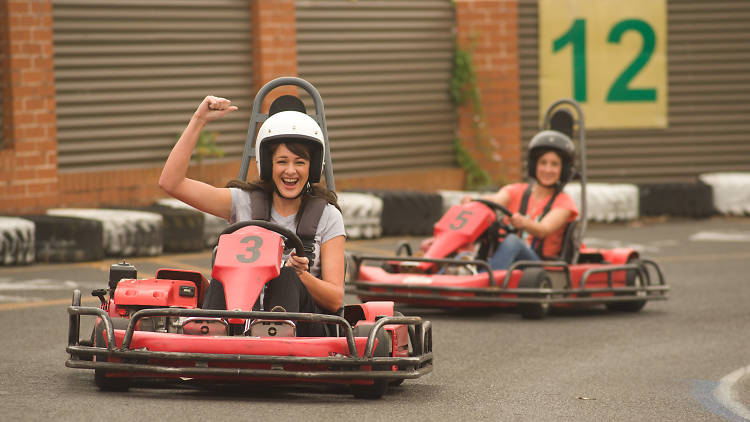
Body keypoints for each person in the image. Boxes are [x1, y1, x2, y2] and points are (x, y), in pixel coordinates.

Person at [158, 95, 346, 336]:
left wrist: (302, 275)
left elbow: (335, 299)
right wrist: (199, 120)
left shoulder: (327, 215)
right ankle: (211, 340)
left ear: (312, 166)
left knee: (287, 275)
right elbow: (171, 183)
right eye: (282, 161)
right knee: (222, 269)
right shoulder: (243, 201)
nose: (290, 171)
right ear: (268, 165)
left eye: (299, 162)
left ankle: (277, 334)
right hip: (241, 320)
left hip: (304, 331)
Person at [463, 130, 579, 270]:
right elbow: (495, 200)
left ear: (563, 169)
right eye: (543, 163)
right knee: (465, 252)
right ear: (534, 165)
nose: (548, 169)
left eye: (554, 164)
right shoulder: (516, 190)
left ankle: (485, 280)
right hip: (510, 262)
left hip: (541, 268)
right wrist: (474, 201)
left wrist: (525, 223)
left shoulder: (564, 202)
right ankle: (445, 273)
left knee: (513, 241)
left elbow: (543, 230)